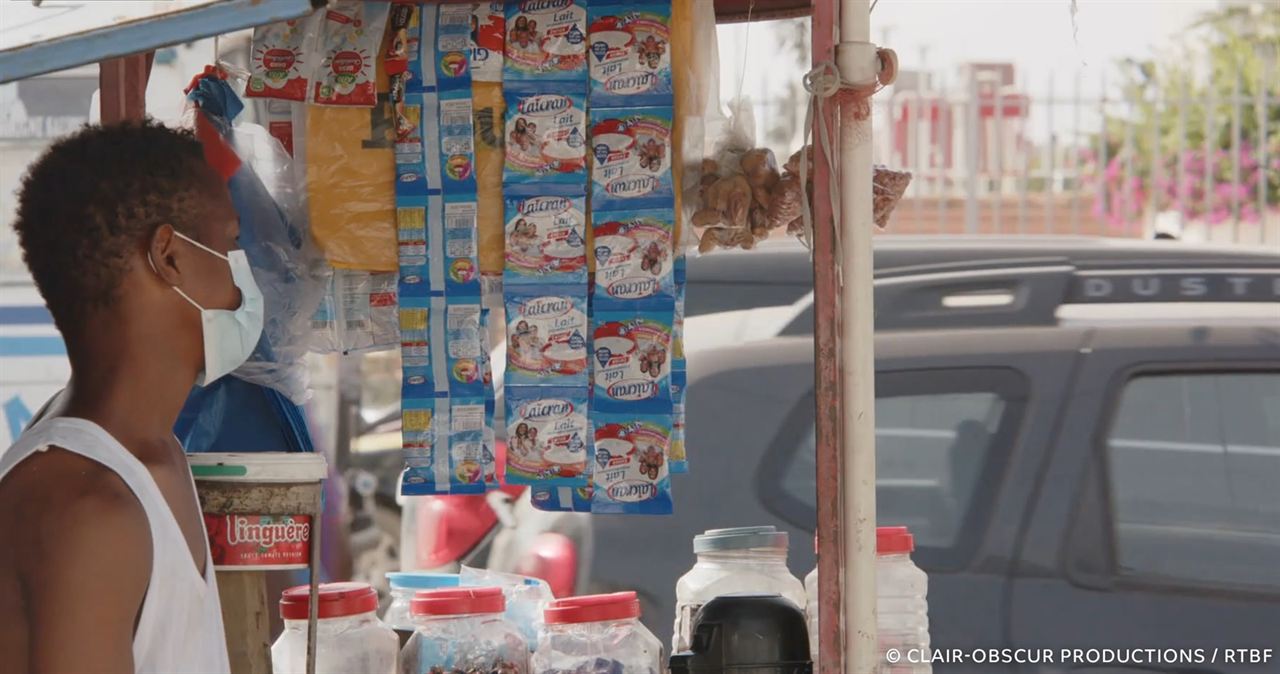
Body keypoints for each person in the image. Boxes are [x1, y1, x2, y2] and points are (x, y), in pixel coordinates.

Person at [0, 121, 261, 673]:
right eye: (232, 245)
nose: (245, 281)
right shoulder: (87, 509)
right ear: (168, 257)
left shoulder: (154, 455)